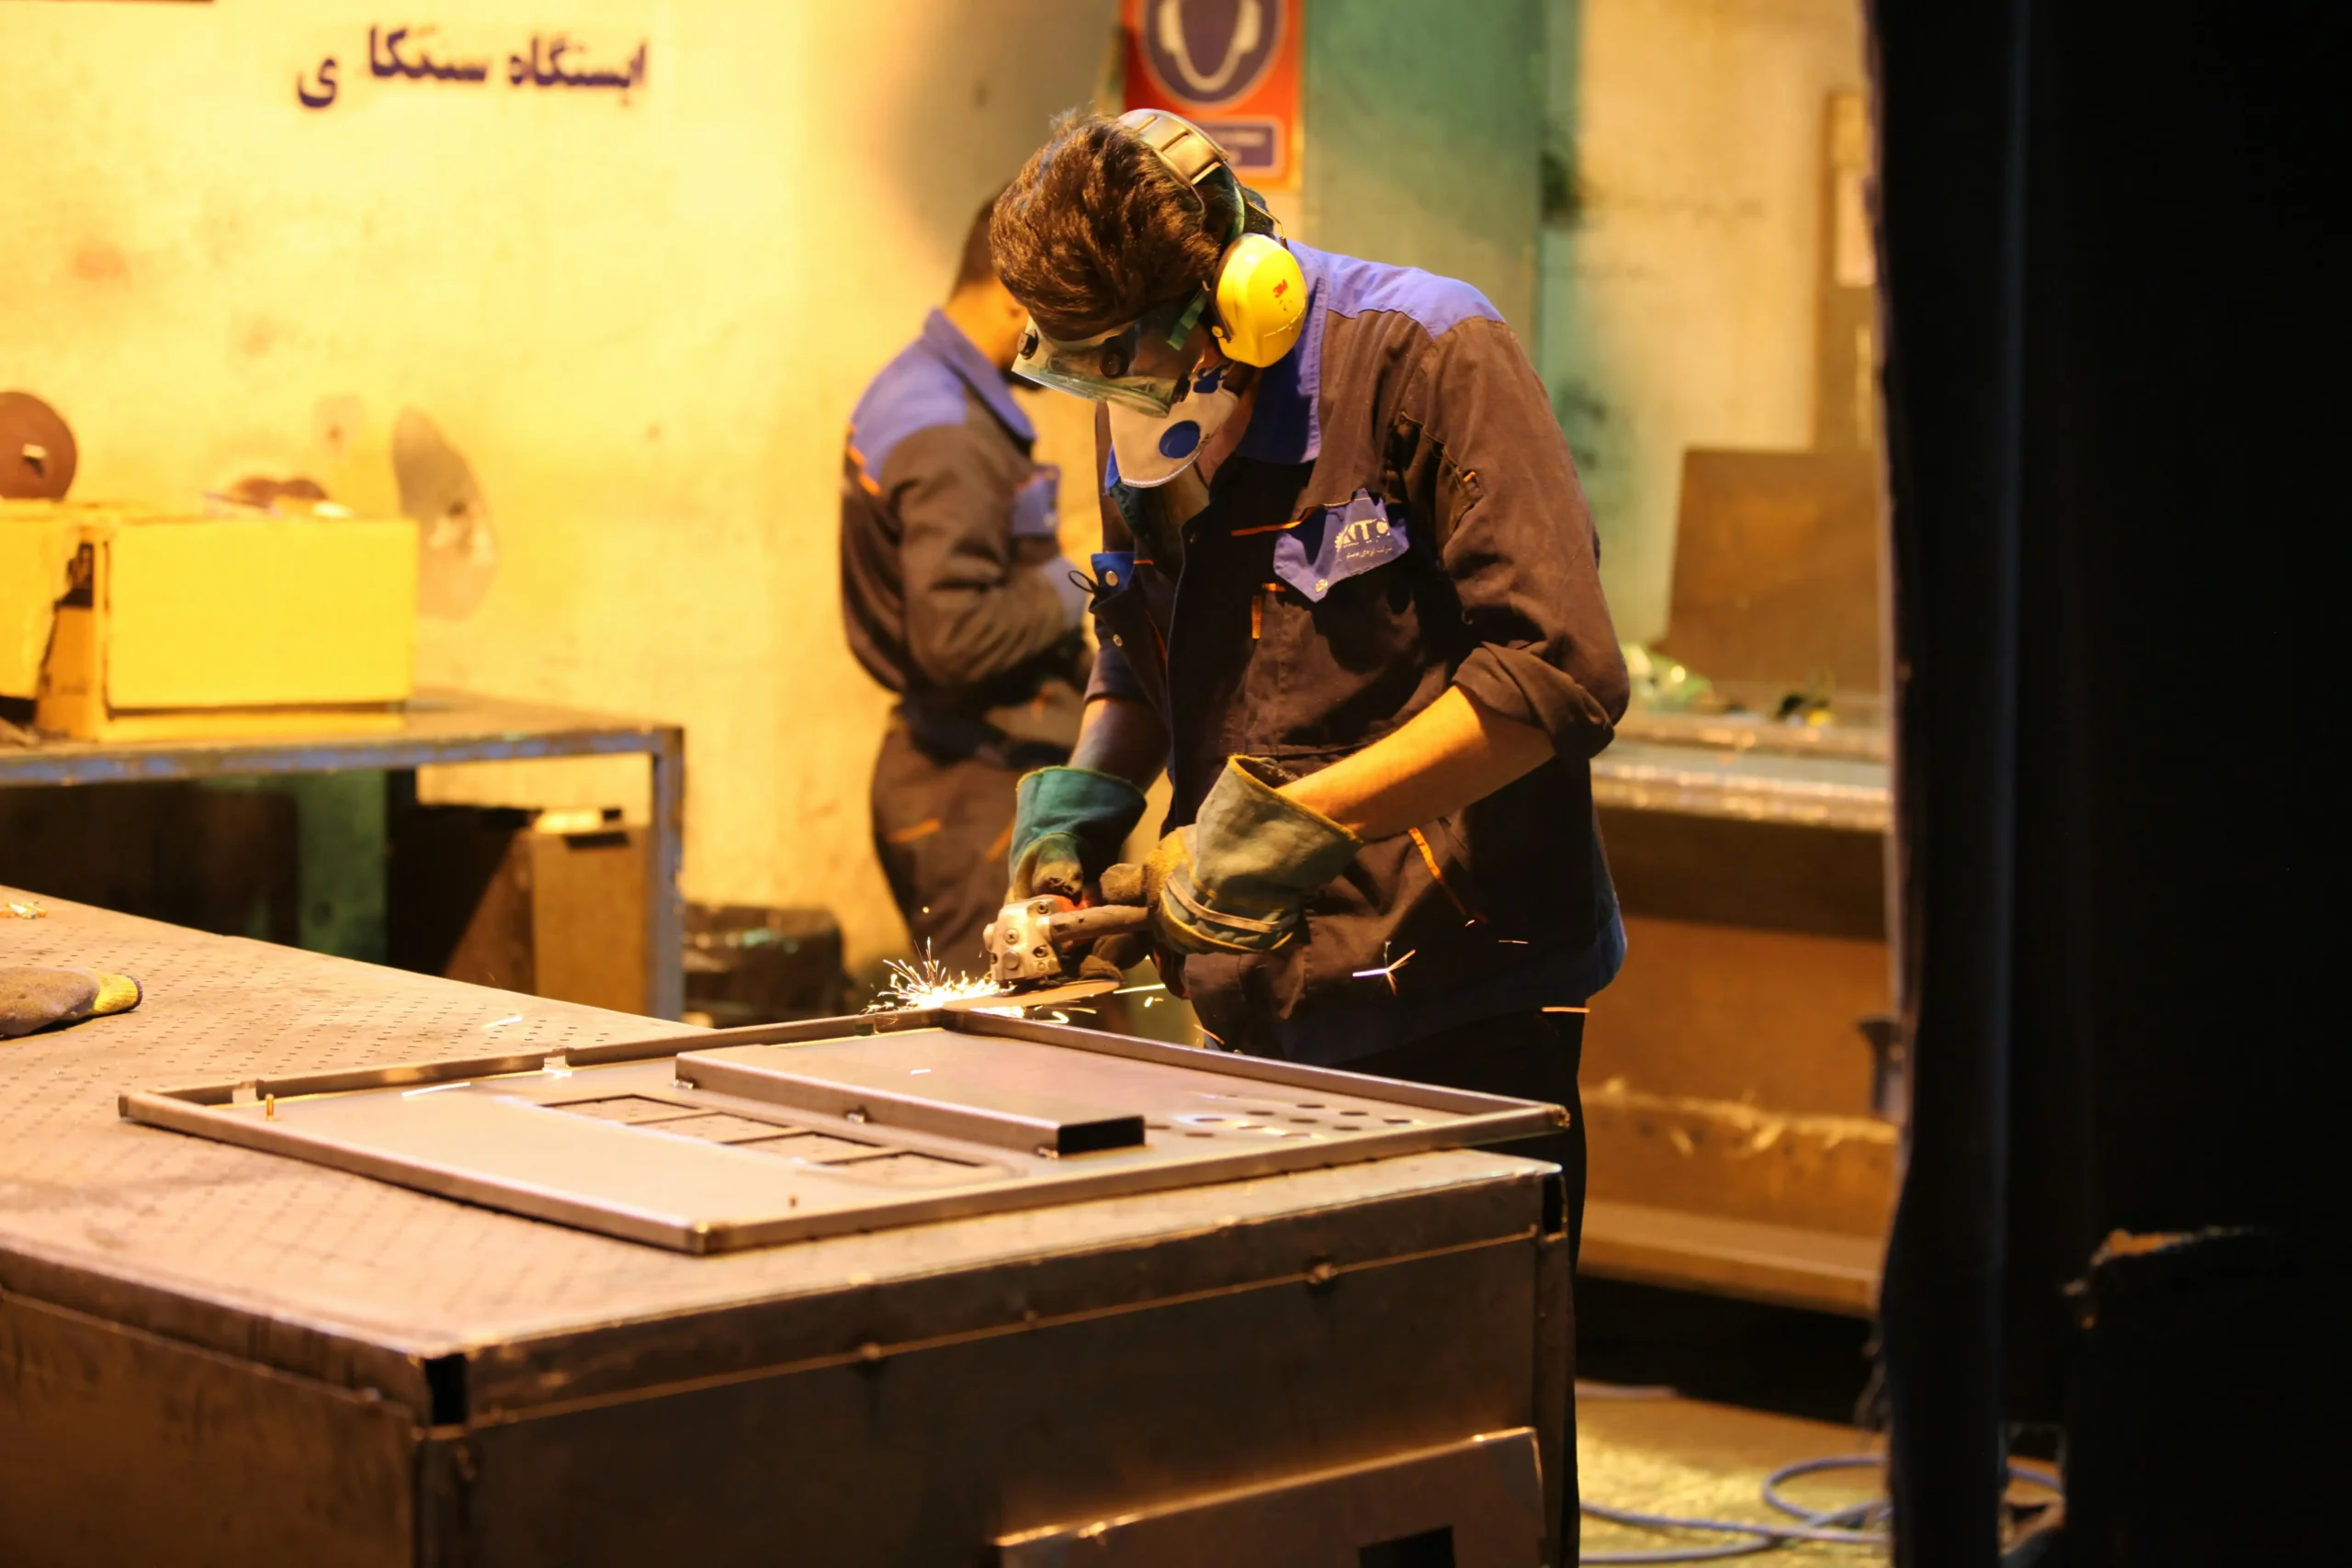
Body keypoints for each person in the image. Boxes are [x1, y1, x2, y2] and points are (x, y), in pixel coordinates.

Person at [992, 110, 1629, 1249]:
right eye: (1084, 368)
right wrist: (1089, 796)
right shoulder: (1139, 399)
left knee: (1454, 1348)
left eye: (1129, 359)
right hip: (1254, 997)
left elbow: (1559, 670)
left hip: (1455, 1002)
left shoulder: (1427, 356)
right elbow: (1142, 641)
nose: (1118, 395)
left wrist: (1291, 829)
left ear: (1240, 299)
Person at [841, 195, 1091, 972]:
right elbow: (956, 637)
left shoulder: (921, 390)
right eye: (1071, 313)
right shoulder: (949, 434)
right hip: (971, 792)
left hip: (956, 772)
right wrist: (1076, 578)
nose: (1082, 343)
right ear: (1016, 290)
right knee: (1013, 1038)